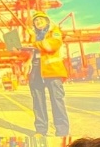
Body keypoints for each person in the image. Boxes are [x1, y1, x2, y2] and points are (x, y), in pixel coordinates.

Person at [24, 10, 70, 138]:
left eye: (41, 19)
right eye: (36, 21)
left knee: (57, 101)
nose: (38, 22)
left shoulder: (54, 32)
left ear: (47, 21)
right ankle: (40, 130)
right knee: (38, 102)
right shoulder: (34, 36)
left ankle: (62, 132)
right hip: (36, 71)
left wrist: (33, 42)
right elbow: (31, 51)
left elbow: (50, 47)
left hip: (52, 71)